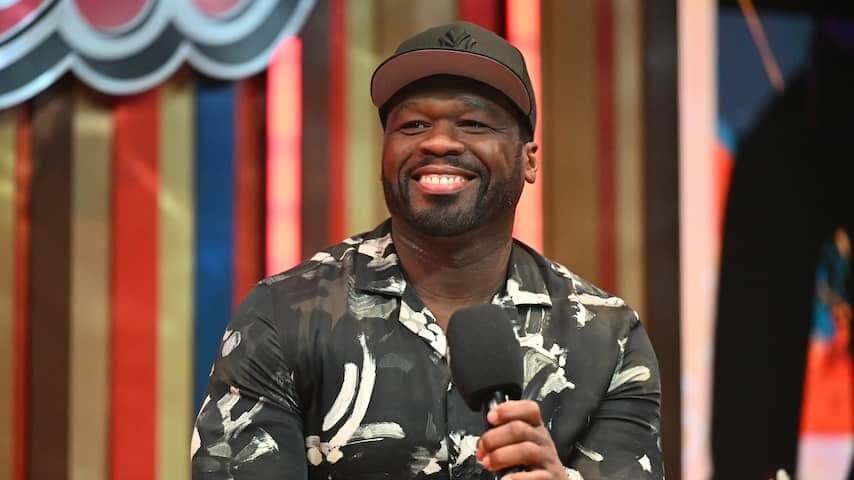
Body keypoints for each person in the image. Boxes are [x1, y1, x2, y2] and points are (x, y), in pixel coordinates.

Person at [191, 21, 663, 480]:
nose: (438, 142)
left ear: (528, 160)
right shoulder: (283, 316)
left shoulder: (607, 337)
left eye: (474, 124)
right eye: (413, 125)